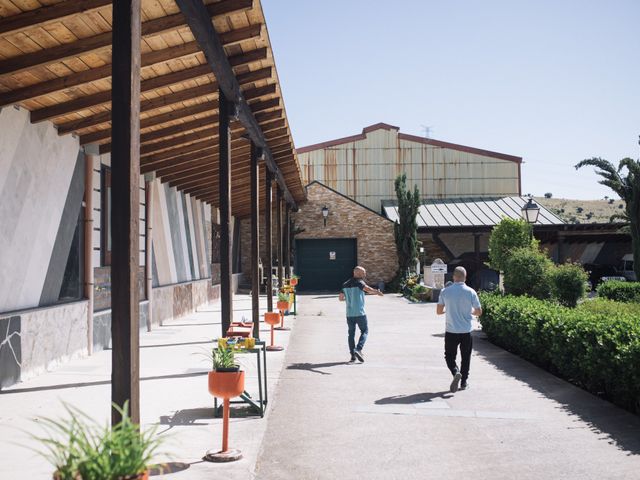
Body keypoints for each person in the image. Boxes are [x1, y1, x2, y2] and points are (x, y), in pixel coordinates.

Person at [436, 266, 482, 392]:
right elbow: (479, 312)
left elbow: (439, 311)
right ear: (465, 277)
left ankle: (455, 371)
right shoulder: (471, 292)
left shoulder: (445, 291)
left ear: (453, 277)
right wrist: (470, 311)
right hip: (466, 331)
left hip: (451, 330)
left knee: (449, 356)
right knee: (466, 357)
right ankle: (464, 382)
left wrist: (448, 309)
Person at [339, 266, 383, 363]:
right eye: (363, 273)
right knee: (365, 331)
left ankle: (353, 357)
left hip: (349, 314)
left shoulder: (345, 284)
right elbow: (367, 289)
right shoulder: (359, 282)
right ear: (357, 273)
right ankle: (358, 349)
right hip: (360, 313)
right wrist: (377, 292)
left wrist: (350, 299)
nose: (365, 274)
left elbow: (341, 298)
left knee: (351, 334)